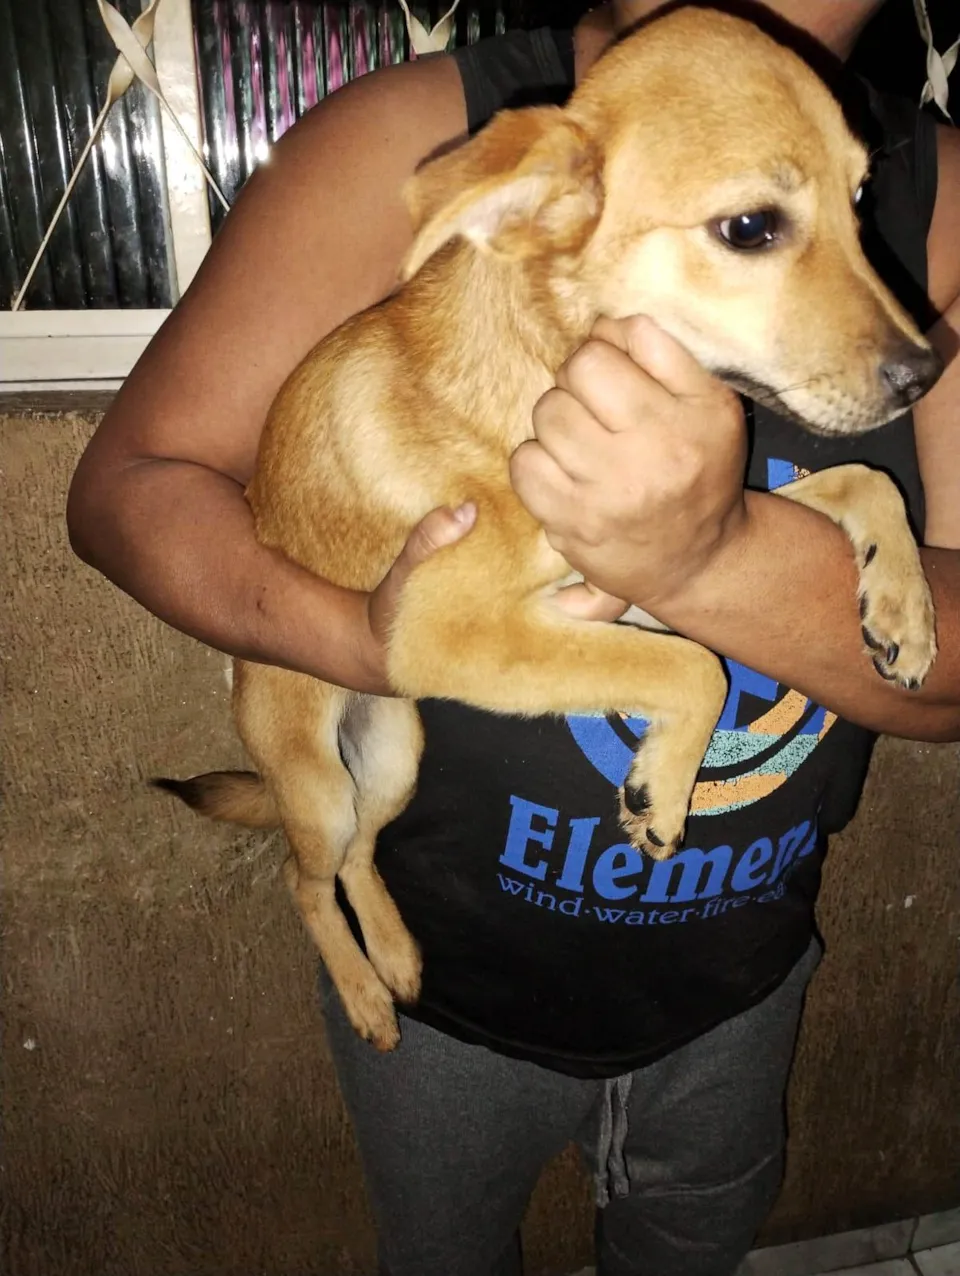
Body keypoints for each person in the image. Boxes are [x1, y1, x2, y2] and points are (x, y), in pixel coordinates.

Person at [67, 1, 960, 1273]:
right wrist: (370, 643)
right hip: (459, 1011)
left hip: (742, 980)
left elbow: (946, 688)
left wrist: (710, 553)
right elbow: (123, 491)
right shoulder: (431, 144)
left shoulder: (944, 186)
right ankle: (335, 893)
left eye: (850, 199)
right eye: (755, 226)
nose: (895, 336)